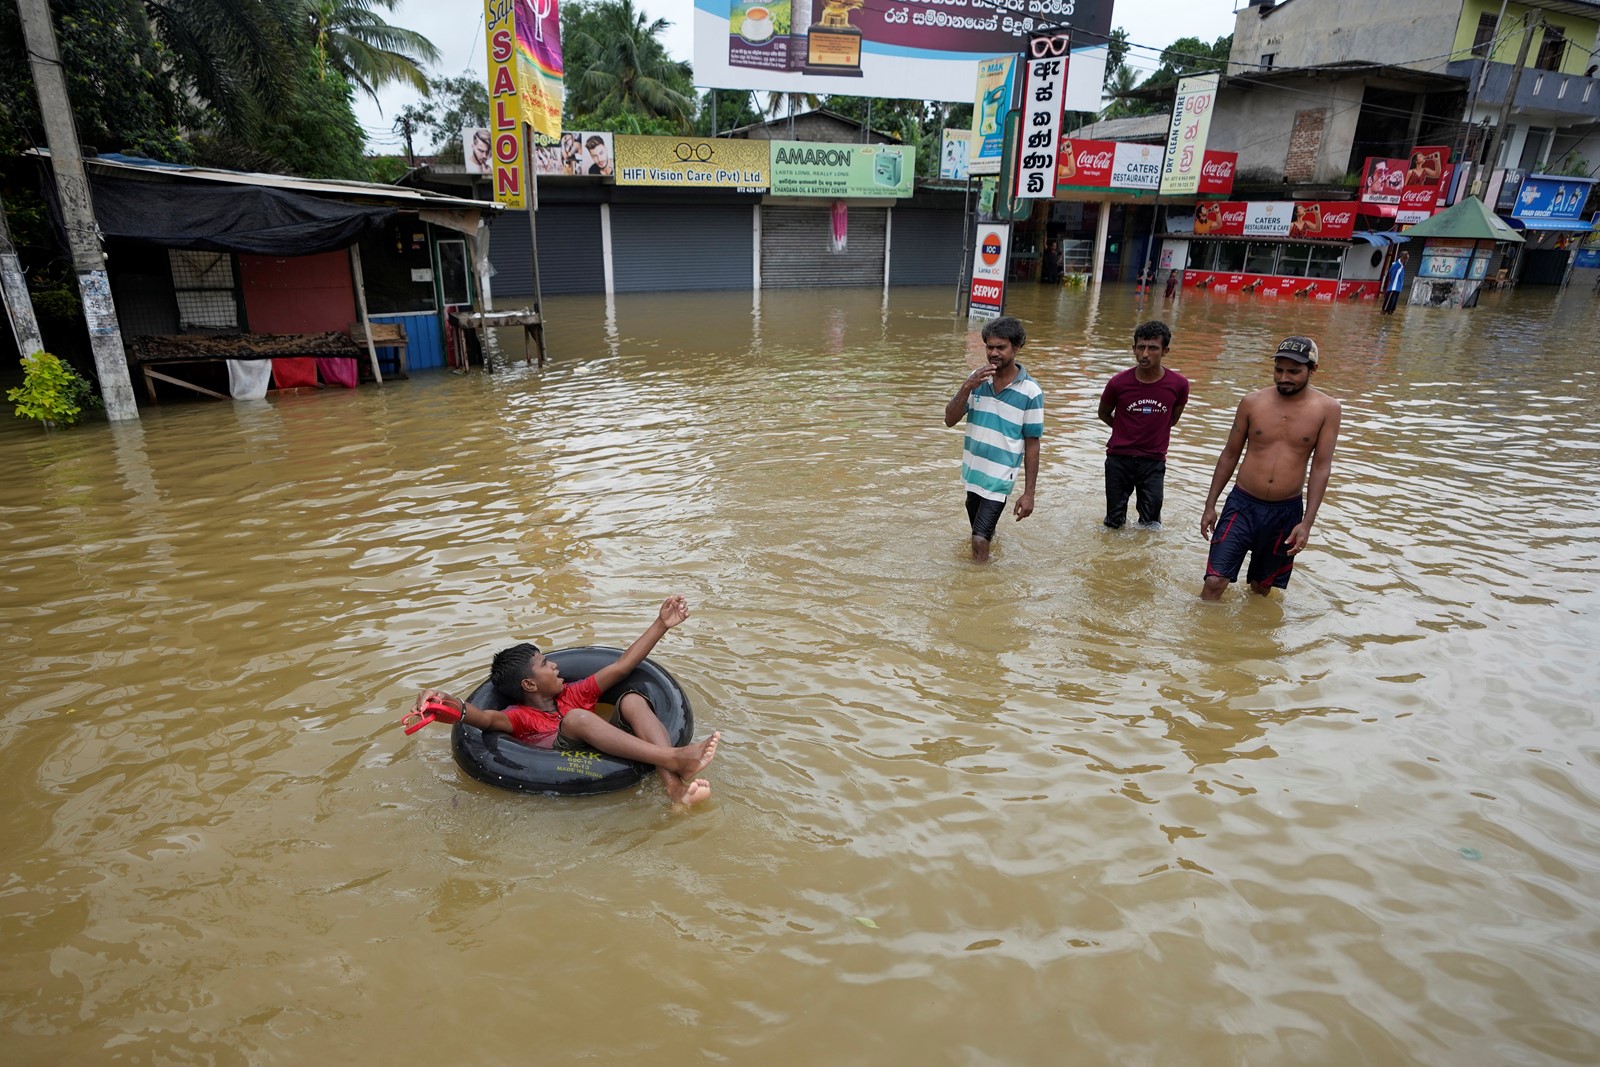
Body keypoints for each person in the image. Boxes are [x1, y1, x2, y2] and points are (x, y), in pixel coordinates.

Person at [409, 595, 721, 807]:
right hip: (561, 757)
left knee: (632, 700)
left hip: (604, 740)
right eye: (545, 664)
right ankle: (675, 758)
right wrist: (443, 701)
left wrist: (661, 624)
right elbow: (480, 716)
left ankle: (674, 787)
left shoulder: (575, 692)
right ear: (529, 684)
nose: (556, 666)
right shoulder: (518, 717)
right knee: (577, 719)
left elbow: (622, 666)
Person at [1200, 337, 1341, 600]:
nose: (1284, 378)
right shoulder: (1252, 402)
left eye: (1293, 371)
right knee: (1215, 581)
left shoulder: (1327, 409)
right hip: (1241, 505)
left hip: (1285, 512)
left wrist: (1307, 523)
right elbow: (1230, 454)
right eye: (1279, 370)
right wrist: (1210, 505)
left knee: (1260, 588)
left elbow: (1321, 468)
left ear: (1312, 370)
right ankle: (1202, 626)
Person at [944, 316, 1043, 562]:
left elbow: (1032, 444)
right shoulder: (976, 380)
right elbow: (950, 419)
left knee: (979, 541)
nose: (994, 353)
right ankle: (991, 563)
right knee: (980, 534)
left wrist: (1029, 494)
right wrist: (967, 386)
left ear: (1016, 347)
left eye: (1001, 347)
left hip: (1000, 476)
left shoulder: (1030, 392)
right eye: (990, 347)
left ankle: (976, 583)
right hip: (973, 473)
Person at [1098, 320, 1189, 530]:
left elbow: (1172, 419)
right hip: (1119, 458)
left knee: (1151, 524)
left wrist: (1151, 432)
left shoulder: (1179, 384)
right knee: (1113, 523)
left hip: (1153, 461)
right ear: (1134, 349)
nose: (1145, 354)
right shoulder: (1118, 382)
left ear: (1165, 351)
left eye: (1153, 348)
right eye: (1141, 347)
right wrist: (1125, 430)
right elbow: (1103, 413)